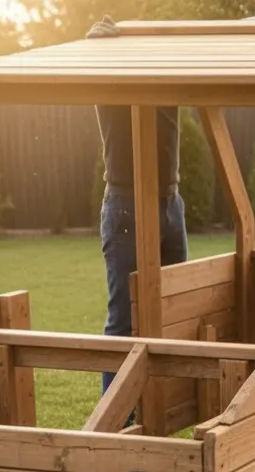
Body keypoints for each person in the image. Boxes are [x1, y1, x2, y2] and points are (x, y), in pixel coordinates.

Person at [86, 15, 189, 396]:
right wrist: (101, 36)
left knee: (177, 309)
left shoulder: (166, 76)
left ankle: (163, 408)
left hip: (169, 204)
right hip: (126, 205)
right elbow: (93, 48)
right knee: (125, 320)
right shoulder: (110, 78)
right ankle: (115, 419)